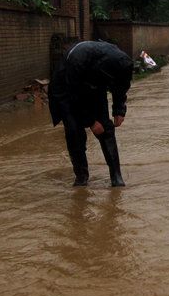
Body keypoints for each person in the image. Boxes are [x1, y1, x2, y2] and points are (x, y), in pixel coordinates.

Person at [49, 40, 133, 187]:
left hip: (94, 87)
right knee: (74, 132)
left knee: (106, 129)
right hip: (67, 91)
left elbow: (121, 85)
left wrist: (119, 109)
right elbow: (74, 95)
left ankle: (116, 176)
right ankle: (81, 176)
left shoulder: (121, 62)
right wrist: (91, 122)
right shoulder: (78, 60)